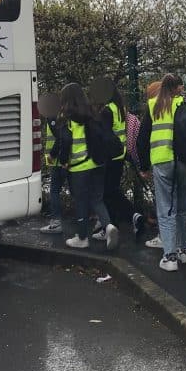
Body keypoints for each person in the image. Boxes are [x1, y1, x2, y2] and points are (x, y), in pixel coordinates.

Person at [137, 74, 186, 272]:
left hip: (162, 160)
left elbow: (143, 138)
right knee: (185, 207)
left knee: (166, 209)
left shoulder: (154, 105)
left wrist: (144, 166)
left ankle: (170, 257)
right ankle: (185, 252)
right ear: (178, 88)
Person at [53, 83, 119, 251]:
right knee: (97, 199)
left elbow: (65, 141)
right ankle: (108, 226)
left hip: (79, 167)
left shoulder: (66, 117)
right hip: (98, 164)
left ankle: (82, 238)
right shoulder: (93, 113)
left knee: (81, 202)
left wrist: (63, 160)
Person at [94, 83, 145, 242]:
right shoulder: (119, 109)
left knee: (108, 193)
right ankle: (120, 222)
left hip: (110, 157)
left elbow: (105, 135)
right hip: (120, 156)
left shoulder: (107, 111)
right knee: (112, 192)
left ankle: (123, 220)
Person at [38, 112, 65, 234]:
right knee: (77, 191)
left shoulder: (52, 117)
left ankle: (56, 222)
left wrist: (52, 155)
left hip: (57, 161)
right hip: (69, 160)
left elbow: (60, 138)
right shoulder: (67, 114)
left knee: (54, 190)